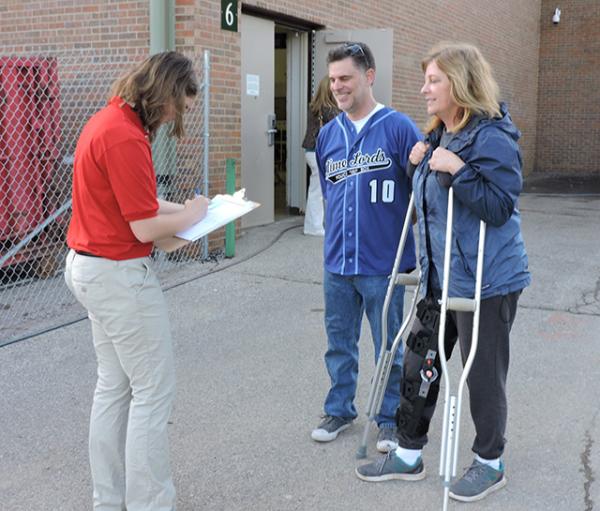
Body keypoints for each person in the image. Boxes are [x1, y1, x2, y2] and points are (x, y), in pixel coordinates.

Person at [355, 42, 531, 503]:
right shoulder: (439, 134)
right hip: (439, 277)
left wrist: (459, 170)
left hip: (485, 281)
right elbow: (427, 209)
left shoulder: (491, 136)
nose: (424, 89)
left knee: (481, 374)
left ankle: (491, 463)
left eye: (434, 80)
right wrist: (416, 165)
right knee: (419, 364)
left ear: (460, 83)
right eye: (426, 79)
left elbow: (499, 206)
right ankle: (409, 455)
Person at [64, 51, 209, 510]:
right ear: (165, 93)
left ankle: (108, 501)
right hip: (119, 275)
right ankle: (150, 503)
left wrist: (188, 209)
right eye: (177, 106)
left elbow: (141, 204)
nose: (174, 117)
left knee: (114, 386)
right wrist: (194, 214)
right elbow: (145, 226)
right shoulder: (125, 136)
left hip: (91, 267)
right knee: (152, 391)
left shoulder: (109, 121)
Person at [310, 42, 421, 453]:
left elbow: (418, 197)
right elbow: (330, 192)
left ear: (368, 76)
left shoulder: (398, 127)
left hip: (383, 264)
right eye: (334, 79)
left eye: (346, 78)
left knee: (389, 346)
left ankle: (389, 419)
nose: (338, 86)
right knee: (339, 343)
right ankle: (339, 408)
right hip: (338, 262)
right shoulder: (327, 135)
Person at [301, 75, 339, 235]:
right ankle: (314, 226)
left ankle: (316, 224)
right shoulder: (330, 110)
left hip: (310, 151)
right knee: (320, 191)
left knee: (317, 189)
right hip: (321, 153)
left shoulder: (314, 107)